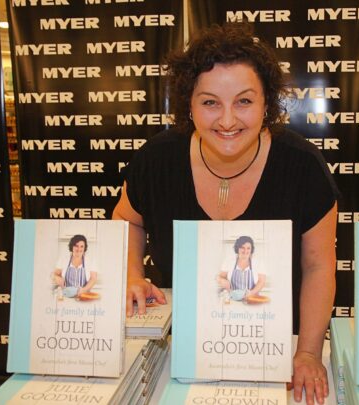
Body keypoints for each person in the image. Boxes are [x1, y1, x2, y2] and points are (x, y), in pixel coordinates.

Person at [113, 23, 339, 404]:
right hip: (184, 347)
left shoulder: (303, 167)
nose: (228, 120)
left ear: (267, 103)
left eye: (244, 101)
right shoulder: (156, 160)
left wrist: (308, 353)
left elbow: (318, 266)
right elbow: (127, 219)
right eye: (210, 102)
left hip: (275, 348)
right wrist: (132, 273)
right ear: (189, 103)